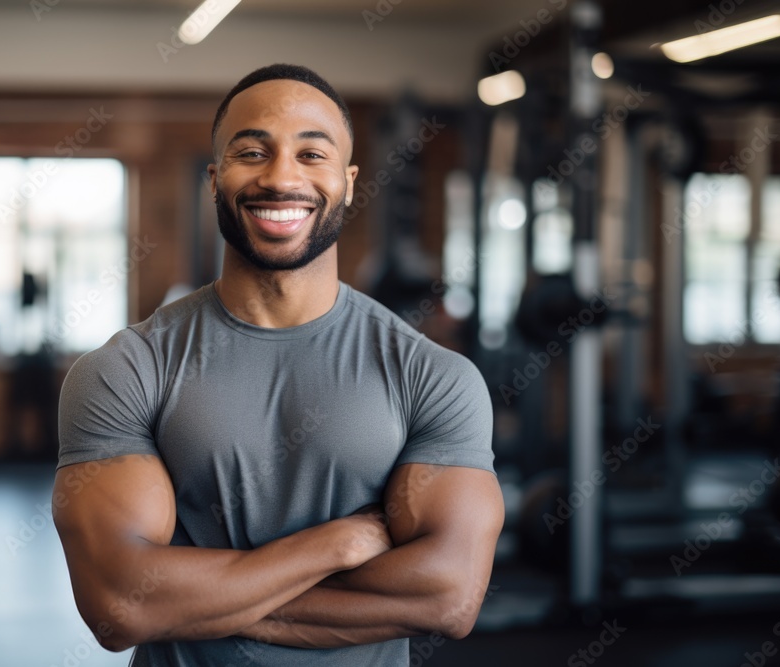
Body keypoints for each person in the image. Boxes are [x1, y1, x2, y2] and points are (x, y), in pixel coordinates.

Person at [53, 63, 504, 667]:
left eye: (311, 154)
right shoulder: (126, 371)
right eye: (251, 151)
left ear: (347, 181)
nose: (281, 176)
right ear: (215, 179)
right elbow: (121, 607)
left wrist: (205, 605)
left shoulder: (433, 378)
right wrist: (334, 544)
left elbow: (447, 598)